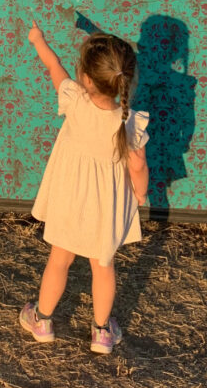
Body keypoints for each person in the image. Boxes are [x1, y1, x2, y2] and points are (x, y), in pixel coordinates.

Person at [20, 23, 149, 354]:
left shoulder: (74, 100)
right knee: (103, 265)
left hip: (70, 200)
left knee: (59, 260)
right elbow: (137, 166)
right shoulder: (129, 120)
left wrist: (39, 39)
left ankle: (43, 320)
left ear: (86, 79)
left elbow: (53, 66)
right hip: (107, 206)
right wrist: (139, 194)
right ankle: (102, 332)